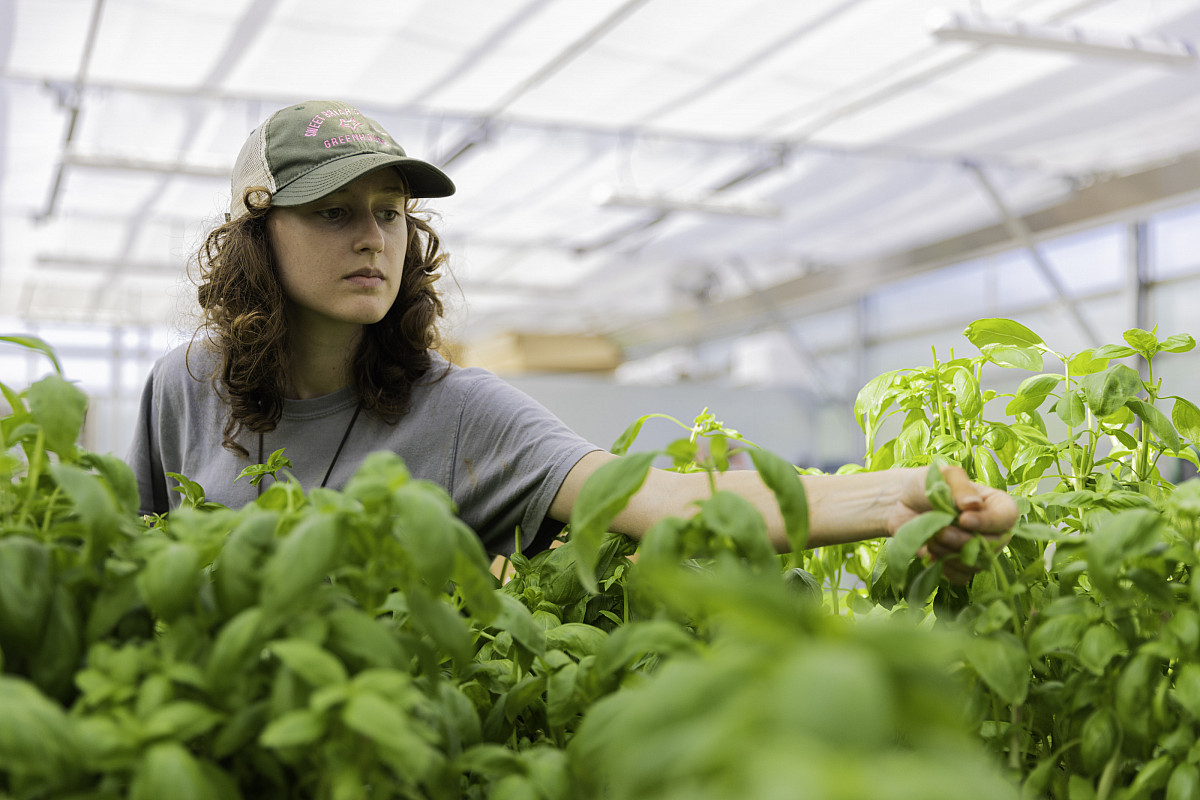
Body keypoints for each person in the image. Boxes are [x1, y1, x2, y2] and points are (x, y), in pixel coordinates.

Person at [127, 100, 1017, 583]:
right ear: (257, 235)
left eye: (391, 213)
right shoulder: (183, 387)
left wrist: (897, 496)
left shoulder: (461, 412)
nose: (373, 238)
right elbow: (135, 563)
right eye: (332, 212)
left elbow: (667, 501)